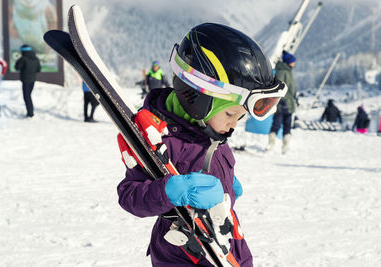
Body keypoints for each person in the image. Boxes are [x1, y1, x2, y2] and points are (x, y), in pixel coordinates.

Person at [117, 23, 287, 266]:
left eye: (239, 117)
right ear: (199, 100)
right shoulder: (161, 140)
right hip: (180, 256)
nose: (234, 125)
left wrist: (230, 186)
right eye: (230, 114)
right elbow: (129, 195)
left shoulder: (215, 133)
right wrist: (170, 190)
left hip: (227, 245)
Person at [267, 50, 297, 154]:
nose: (294, 63)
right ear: (289, 62)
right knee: (277, 124)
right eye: (293, 61)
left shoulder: (288, 71)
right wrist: (282, 100)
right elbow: (279, 87)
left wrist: (295, 99)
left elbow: (291, 89)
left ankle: (285, 146)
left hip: (289, 104)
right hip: (282, 104)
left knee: (287, 125)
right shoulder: (282, 72)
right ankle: (270, 145)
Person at [15, 44, 41, 118]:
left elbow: (17, 67)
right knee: (28, 96)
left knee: (26, 97)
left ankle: (30, 113)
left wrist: (19, 60)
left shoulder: (23, 59)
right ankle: (30, 112)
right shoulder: (36, 58)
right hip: (32, 80)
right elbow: (38, 69)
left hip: (25, 80)